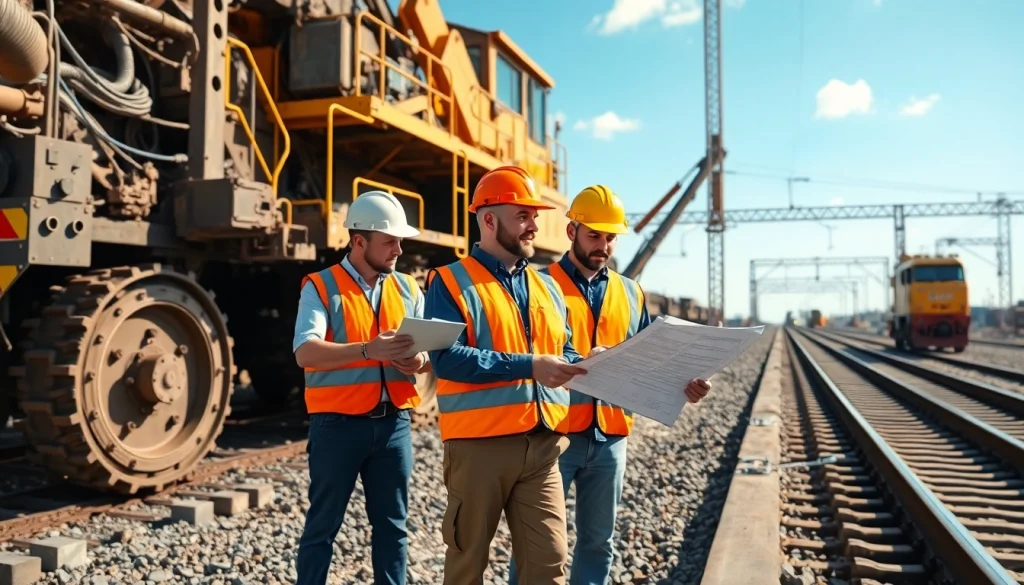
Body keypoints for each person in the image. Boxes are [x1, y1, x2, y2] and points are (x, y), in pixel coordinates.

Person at [508, 185, 712, 585]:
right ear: (571, 232)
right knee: (535, 544)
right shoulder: (538, 285)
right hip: (554, 434)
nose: (603, 246)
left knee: (599, 542)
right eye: (594, 235)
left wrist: (687, 383)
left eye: (610, 237)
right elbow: (528, 350)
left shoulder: (630, 292)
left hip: (611, 437)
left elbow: (655, 359)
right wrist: (581, 359)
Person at [424, 166, 587, 585]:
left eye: (535, 216)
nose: (534, 226)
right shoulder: (449, 282)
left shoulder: (548, 286)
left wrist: (589, 360)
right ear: (490, 219)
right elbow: (448, 360)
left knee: (549, 564)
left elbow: (563, 350)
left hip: (543, 444)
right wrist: (530, 366)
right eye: (524, 216)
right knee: (467, 566)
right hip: (479, 447)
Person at [293, 190, 431, 585]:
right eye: (390, 241)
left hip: (394, 427)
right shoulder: (320, 287)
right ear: (359, 241)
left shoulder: (407, 287)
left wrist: (416, 361)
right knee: (322, 528)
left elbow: (426, 357)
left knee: (393, 529)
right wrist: (370, 350)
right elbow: (305, 352)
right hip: (336, 426)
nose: (399, 249)